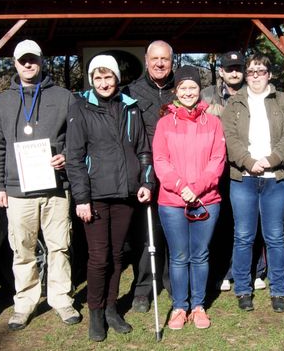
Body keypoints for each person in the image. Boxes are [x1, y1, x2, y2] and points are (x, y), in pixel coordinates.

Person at [0, 39, 80, 330]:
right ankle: (25, 303)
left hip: (56, 187)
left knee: (59, 247)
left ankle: (61, 299)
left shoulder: (64, 97)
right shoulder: (3, 101)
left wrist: (65, 156)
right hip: (18, 191)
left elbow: (77, 138)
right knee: (22, 251)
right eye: (22, 60)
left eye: (33, 59)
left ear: (41, 60)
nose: (28, 64)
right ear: (14, 63)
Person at [66, 55, 153, 341]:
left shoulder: (130, 108)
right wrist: (81, 198)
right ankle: (95, 312)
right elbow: (75, 158)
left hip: (125, 193)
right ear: (92, 80)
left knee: (117, 256)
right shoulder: (80, 108)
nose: (104, 83)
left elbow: (143, 150)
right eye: (98, 77)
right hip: (95, 195)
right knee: (99, 257)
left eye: (109, 77)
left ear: (117, 79)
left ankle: (111, 309)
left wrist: (145, 181)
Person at [222, 53, 284, 313]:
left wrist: (272, 159)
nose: (256, 75)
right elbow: (229, 138)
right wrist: (247, 160)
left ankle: (278, 290)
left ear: (269, 74)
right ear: (246, 74)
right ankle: (243, 289)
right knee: (243, 236)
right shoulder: (234, 104)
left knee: (275, 236)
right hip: (243, 179)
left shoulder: (283, 101)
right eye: (252, 71)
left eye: (261, 70)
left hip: (274, 179)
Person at [153, 65, 225, 329]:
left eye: (192, 87)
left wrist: (197, 187)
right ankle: (180, 307)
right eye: (182, 87)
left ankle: (198, 305)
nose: (187, 92)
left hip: (207, 199)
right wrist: (181, 186)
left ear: (200, 90)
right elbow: (160, 160)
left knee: (200, 254)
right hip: (172, 201)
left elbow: (217, 160)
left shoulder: (214, 123)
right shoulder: (164, 124)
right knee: (179, 256)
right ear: (176, 91)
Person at [201, 51, 267, 292]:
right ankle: (224, 271)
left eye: (239, 68)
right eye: (229, 68)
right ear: (221, 71)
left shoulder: (254, 94)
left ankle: (256, 270)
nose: (234, 73)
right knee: (222, 223)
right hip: (217, 169)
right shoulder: (207, 95)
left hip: (247, 167)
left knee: (252, 221)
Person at [122, 40, 174, 313]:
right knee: (147, 233)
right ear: (146, 59)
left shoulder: (182, 89)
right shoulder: (131, 92)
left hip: (177, 173)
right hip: (146, 172)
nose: (159, 63)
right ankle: (143, 287)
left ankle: (171, 281)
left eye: (164, 59)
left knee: (173, 231)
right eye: (155, 58)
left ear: (171, 61)